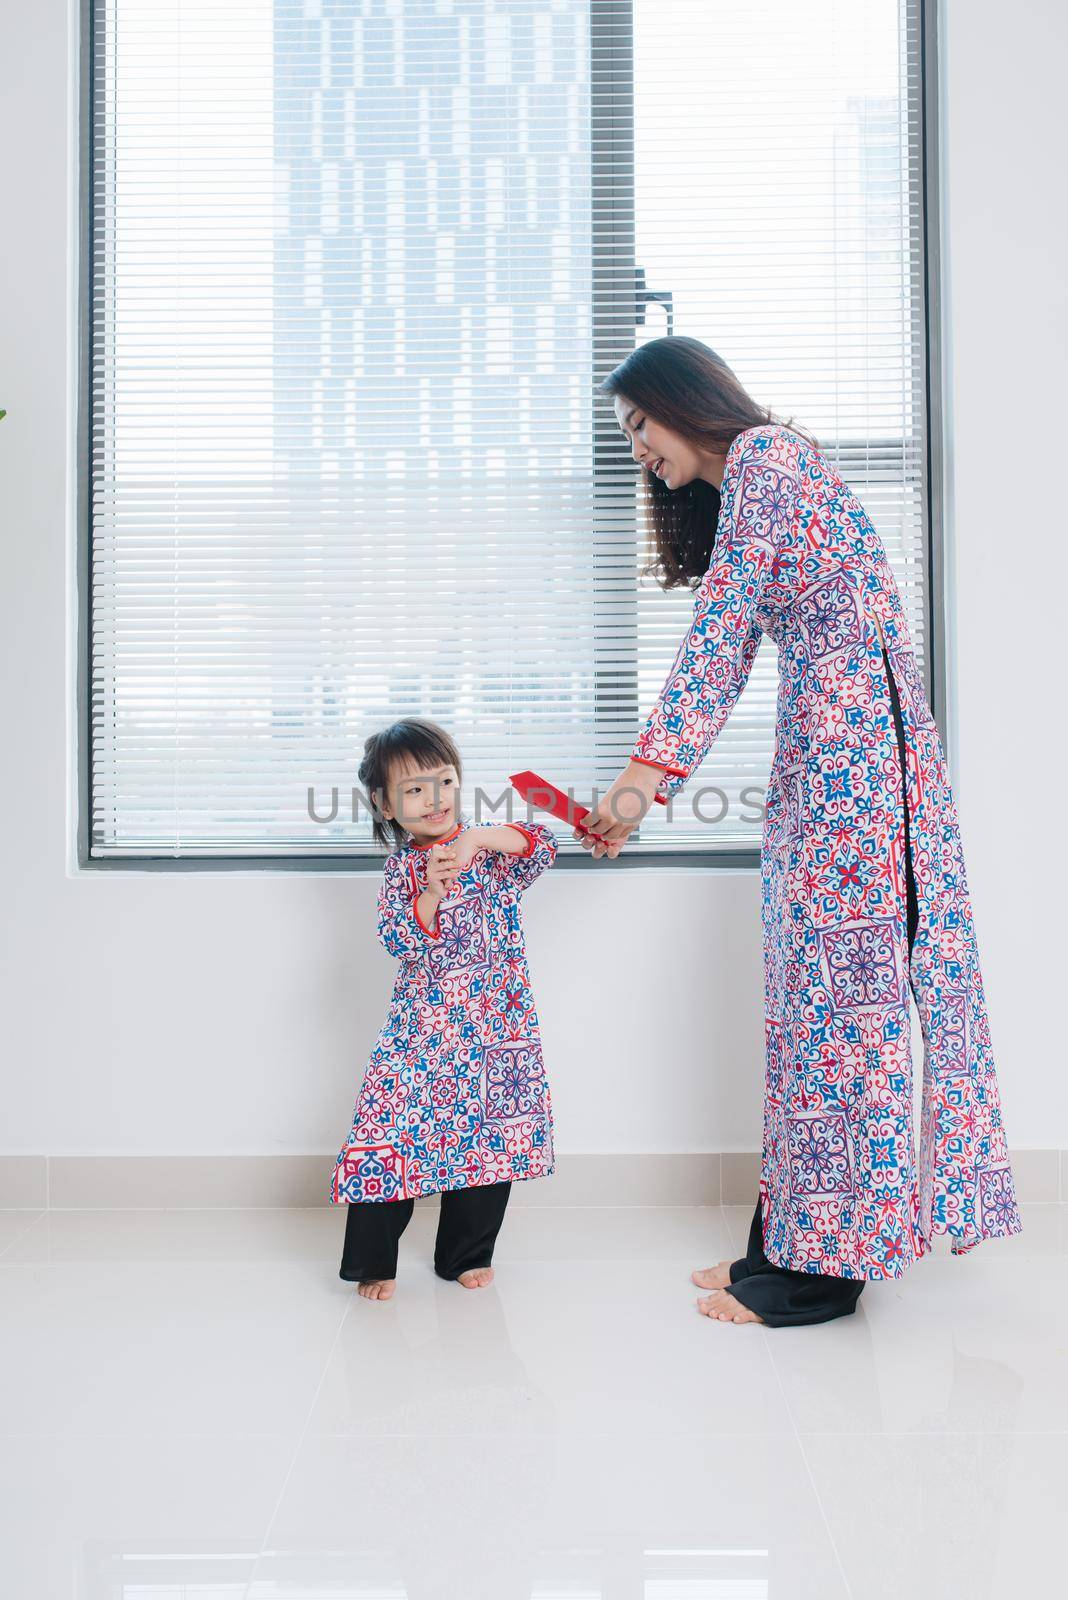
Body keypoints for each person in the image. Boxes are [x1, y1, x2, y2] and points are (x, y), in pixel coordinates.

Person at [577, 335, 1022, 1328]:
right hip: (828, 747)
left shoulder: (768, 460)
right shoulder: (759, 478)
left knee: (843, 1014)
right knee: (807, 1005)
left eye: (640, 422)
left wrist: (641, 781)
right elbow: (736, 626)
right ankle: (783, 1243)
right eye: (626, 435)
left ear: (688, 401)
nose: (637, 446)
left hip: (861, 759)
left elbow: (724, 633)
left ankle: (827, 1275)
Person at [329, 717, 557, 1300]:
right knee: (387, 1131)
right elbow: (400, 940)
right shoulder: (401, 871)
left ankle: (464, 1253)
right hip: (424, 1032)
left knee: (490, 1140)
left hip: (497, 1027)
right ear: (384, 805)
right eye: (412, 790)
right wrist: (431, 888)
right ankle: (374, 1261)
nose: (433, 800)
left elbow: (543, 846)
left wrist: (478, 839)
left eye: (444, 781)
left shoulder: (485, 848)